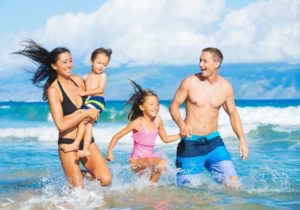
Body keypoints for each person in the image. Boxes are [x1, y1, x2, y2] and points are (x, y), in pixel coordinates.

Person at [13, 39, 112, 188]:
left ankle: (78, 175)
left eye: (70, 61)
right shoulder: (54, 91)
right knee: (78, 192)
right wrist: (84, 114)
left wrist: (95, 112)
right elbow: (61, 124)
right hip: (68, 143)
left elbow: (92, 102)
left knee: (105, 179)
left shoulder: (78, 80)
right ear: (54, 66)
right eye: (64, 62)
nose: (69, 65)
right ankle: (74, 177)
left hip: (86, 140)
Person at [169, 47, 249, 187]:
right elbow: (173, 106)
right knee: (186, 191)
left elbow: (233, 114)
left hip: (214, 143)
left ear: (216, 63)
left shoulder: (225, 87)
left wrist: (242, 140)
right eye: (200, 60)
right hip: (190, 144)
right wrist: (181, 125)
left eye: (205, 61)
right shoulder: (190, 82)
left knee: (233, 184)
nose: (201, 64)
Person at [106, 81, 180, 183]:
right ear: (142, 107)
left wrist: (181, 135)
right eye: (151, 104)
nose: (156, 107)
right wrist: (109, 152)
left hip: (149, 158)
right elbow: (116, 136)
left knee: (159, 170)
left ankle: (148, 191)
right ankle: (151, 188)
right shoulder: (137, 123)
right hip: (136, 161)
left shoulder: (158, 121)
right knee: (161, 164)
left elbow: (166, 139)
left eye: (157, 104)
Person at [60, 47, 112, 158]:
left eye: (104, 64)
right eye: (99, 63)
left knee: (82, 120)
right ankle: (85, 150)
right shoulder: (86, 77)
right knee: (88, 125)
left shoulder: (102, 76)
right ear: (91, 61)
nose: (101, 66)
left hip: (98, 100)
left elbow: (100, 90)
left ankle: (75, 144)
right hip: (90, 101)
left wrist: (84, 93)